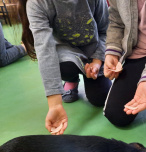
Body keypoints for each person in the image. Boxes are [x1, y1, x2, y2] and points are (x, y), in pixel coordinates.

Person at [18, 0, 112, 134]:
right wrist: (55, 104)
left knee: (100, 98)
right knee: (65, 67)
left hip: (93, 51)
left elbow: (105, 30)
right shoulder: (38, 3)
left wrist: (97, 61)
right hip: (67, 54)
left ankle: (88, 73)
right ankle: (72, 79)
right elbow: (45, 51)